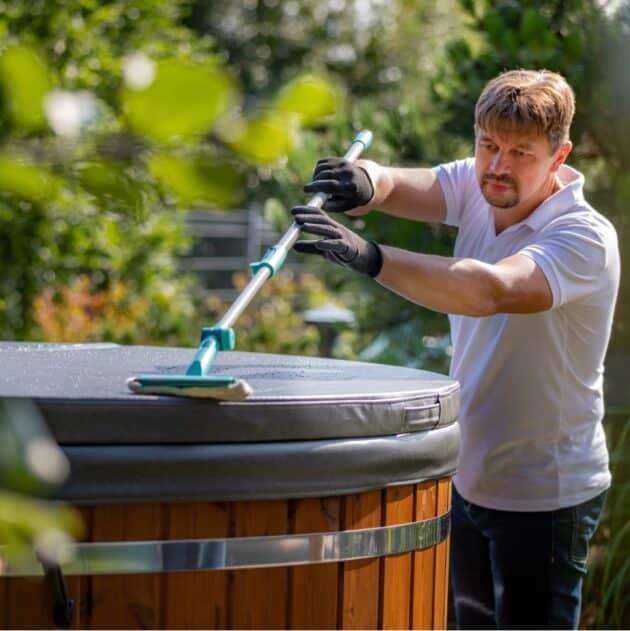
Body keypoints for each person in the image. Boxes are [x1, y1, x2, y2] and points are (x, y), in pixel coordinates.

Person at [291, 69, 620, 630]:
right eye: (488, 145)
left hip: (546, 493)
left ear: (559, 156)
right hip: (467, 477)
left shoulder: (583, 237)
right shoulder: (478, 182)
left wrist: (370, 257)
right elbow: (395, 182)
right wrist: (364, 181)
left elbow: (488, 289)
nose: (498, 165)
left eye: (521, 152)